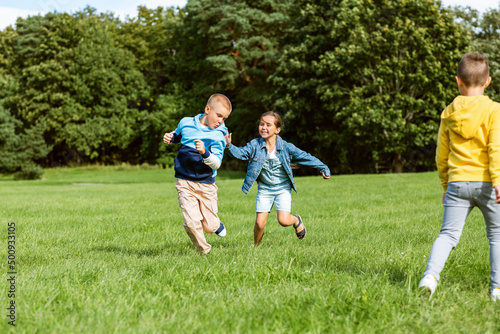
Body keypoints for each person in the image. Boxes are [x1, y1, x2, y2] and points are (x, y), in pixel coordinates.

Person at [419, 52, 500, 301]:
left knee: (448, 235)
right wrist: (497, 180)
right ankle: (497, 289)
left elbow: (441, 154)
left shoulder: (448, 113)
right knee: (496, 236)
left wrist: (446, 183)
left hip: (456, 183)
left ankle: (430, 277)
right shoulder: (494, 110)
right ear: (487, 82)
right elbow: (495, 147)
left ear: (458, 81)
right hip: (487, 183)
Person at [225, 111, 330, 245]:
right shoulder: (255, 145)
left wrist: (323, 167)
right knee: (259, 223)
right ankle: (256, 248)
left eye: (268, 125)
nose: (263, 127)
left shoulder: (287, 147)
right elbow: (241, 153)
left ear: (277, 130)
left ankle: (296, 220)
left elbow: (306, 157)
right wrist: (229, 145)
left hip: (283, 188)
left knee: (284, 221)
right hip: (265, 188)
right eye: (261, 124)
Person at [163, 93, 232, 255]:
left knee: (209, 226)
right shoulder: (186, 122)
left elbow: (217, 163)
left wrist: (204, 153)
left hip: (206, 183)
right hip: (184, 182)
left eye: (224, 118)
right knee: (191, 222)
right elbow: (178, 135)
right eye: (219, 116)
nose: (221, 121)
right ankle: (203, 250)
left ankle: (216, 224)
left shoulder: (218, 135)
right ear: (207, 109)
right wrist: (170, 137)